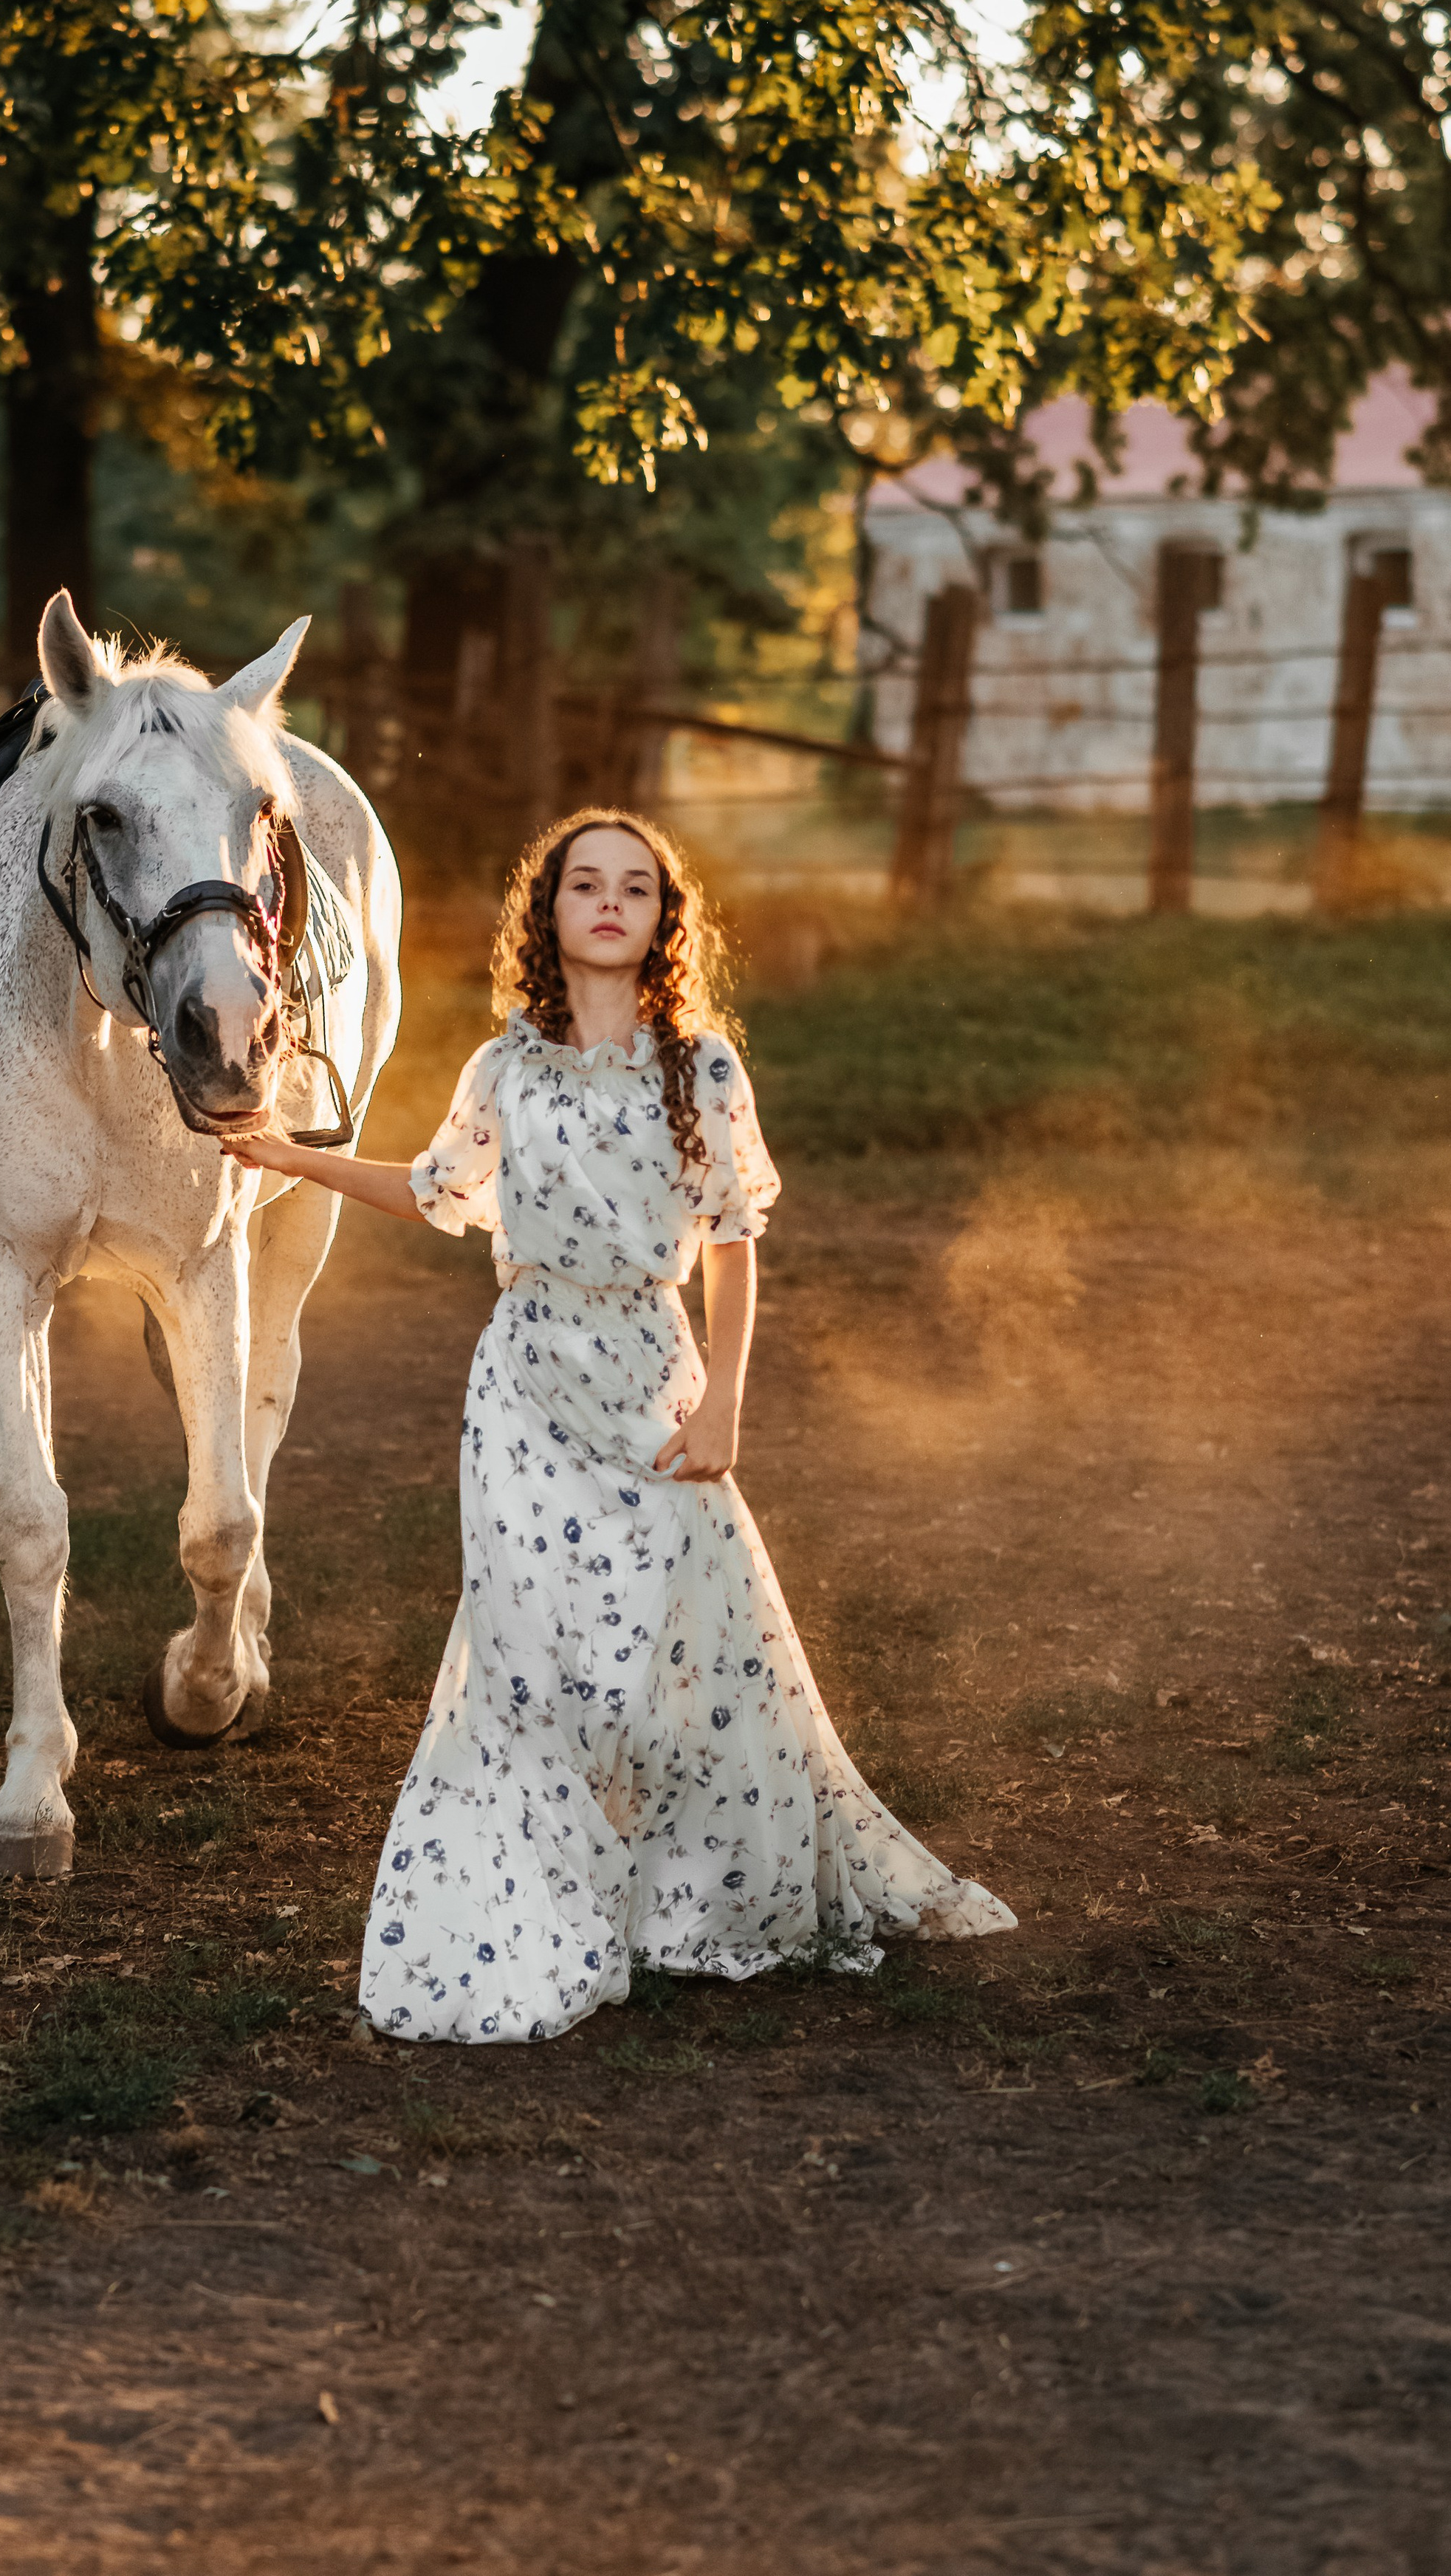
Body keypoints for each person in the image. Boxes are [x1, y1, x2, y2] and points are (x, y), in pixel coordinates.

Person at [228, 811, 1013, 2044]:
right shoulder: (504, 1070)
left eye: (634, 888)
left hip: (653, 1378)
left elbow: (737, 1244)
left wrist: (727, 1402)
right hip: (526, 1384)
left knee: (690, 1647)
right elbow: (435, 1194)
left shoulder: (700, 1067)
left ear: (662, 918)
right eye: (582, 885)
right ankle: (536, 1896)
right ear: (547, 915)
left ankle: (686, 1894)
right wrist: (285, 1153)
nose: (607, 903)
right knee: (529, 1647)